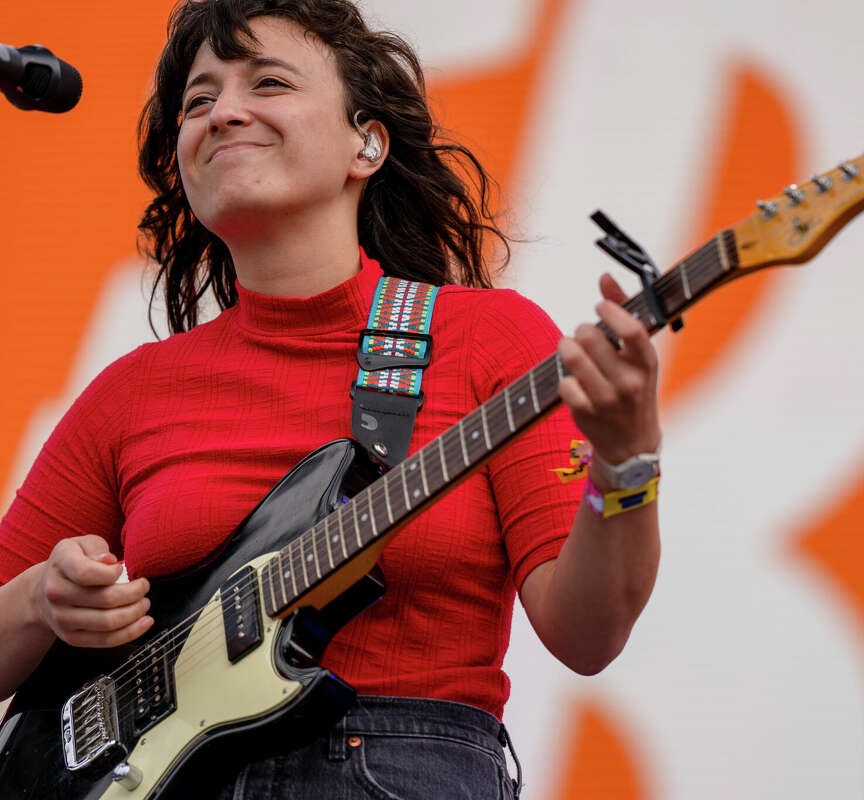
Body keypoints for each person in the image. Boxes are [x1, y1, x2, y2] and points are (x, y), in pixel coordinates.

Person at [0, 1, 662, 797]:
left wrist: (626, 461)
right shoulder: (132, 393)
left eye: (268, 82)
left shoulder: (493, 339)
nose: (224, 112)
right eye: (198, 102)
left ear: (367, 142)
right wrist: (44, 599)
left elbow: (588, 635)